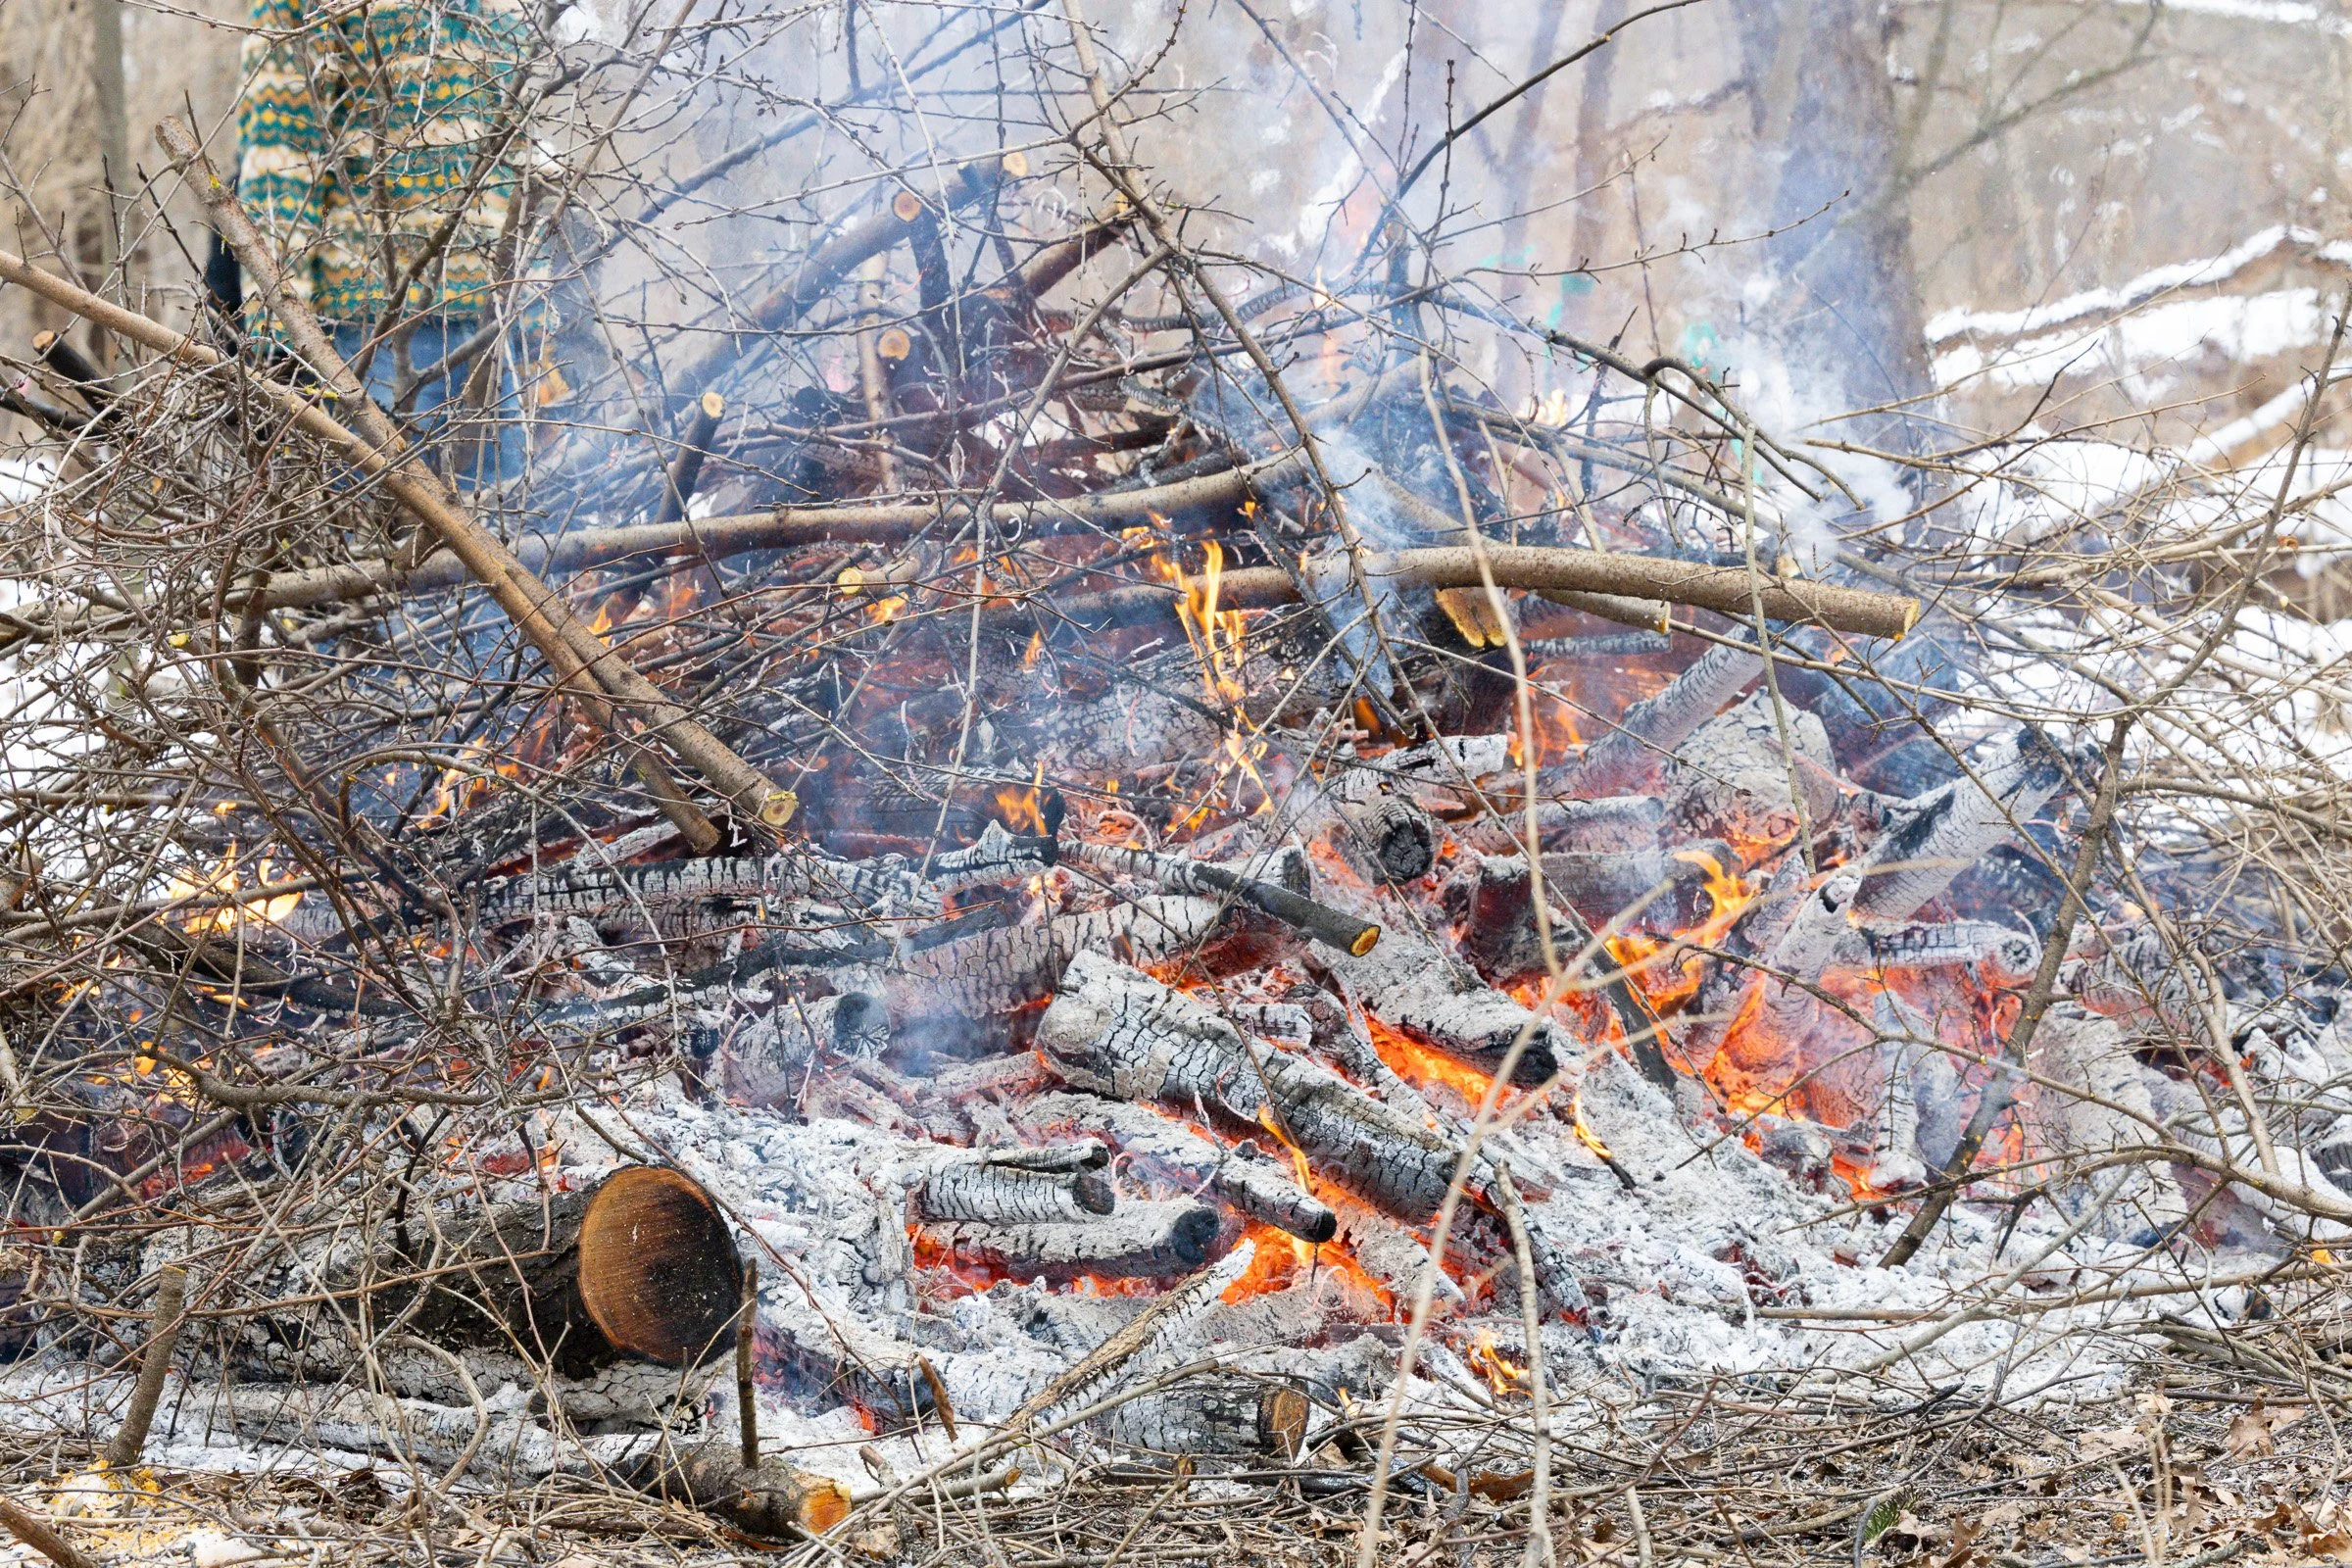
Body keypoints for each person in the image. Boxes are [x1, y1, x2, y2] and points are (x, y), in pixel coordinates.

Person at [232, 0, 543, 483]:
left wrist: (536, 322)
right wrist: (277, 337)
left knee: (508, 544)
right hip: (372, 335)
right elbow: (282, 158)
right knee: (384, 545)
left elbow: (519, 157)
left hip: (491, 329)